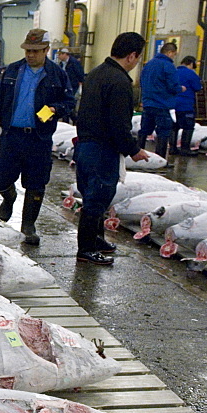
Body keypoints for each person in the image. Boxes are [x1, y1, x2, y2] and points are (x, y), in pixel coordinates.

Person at [0, 29, 75, 246]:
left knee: (36, 183)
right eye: (27, 50)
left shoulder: (57, 75)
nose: (30, 55)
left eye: (35, 51)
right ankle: (9, 196)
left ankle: (28, 225)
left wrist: (54, 108)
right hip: (12, 135)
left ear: (46, 50)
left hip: (38, 139)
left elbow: (70, 102)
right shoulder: (14, 70)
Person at [74, 31, 151, 265]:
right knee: (97, 199)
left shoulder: (96, 73)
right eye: (138, 58)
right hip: (102, 150)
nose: (137, 62)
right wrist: (133, 149)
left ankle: (97, 240)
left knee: (91, 194)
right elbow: (118, 124)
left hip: (86, 146)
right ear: (131, 56)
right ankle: (86, 249)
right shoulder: (119, 81)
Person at [139, 42, 181, 158]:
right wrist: (180, 89)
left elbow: (142, 82)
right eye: (174, 54)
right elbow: (172, 86)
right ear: (169, 52)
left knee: (144, 130)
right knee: (163, 132)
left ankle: (137, 155)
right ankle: (160, 159)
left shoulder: (148, 64)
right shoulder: (168, 65)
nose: (174, 57)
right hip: (162, 104)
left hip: (148, 103)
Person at [172, 55, 203, 155]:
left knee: (174, 127)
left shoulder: (173, 72)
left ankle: (172, 148)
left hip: (172, 105)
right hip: (186, 105)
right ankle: (185, 149)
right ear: (191, 64)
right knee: (188, 127)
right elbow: (198, 87)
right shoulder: (191, 74)